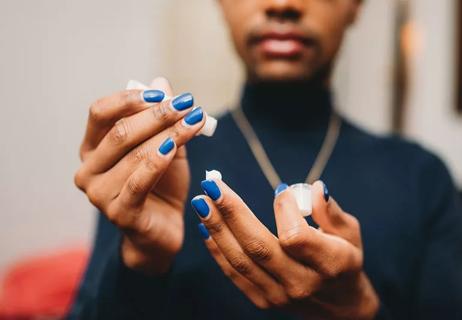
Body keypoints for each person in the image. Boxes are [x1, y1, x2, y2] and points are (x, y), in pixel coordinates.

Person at [70, 0, 462, 319]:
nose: (282, 4)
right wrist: (142, 261)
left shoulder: (422, 180)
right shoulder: (157, 167)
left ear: (356, 5)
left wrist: (360, 311)